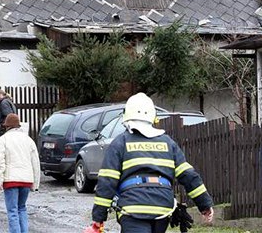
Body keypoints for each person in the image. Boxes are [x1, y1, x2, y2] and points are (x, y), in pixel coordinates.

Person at [87, 93, 214, 233]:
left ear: (126, 116)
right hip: (162, 208)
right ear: (153, 117)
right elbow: (188, 175)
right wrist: (204, 204)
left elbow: (107, 181)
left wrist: (99, 217)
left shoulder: (120, 142)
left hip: (132, 208)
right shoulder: (167, 143)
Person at [0, 113, 40, 233]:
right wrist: (35, 183)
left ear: (6, 127)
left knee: (12, 211)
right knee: (22, 208)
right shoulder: (29, 140)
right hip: (26, 180)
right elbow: (35, 162)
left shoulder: (2, 140)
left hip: (11, 180)